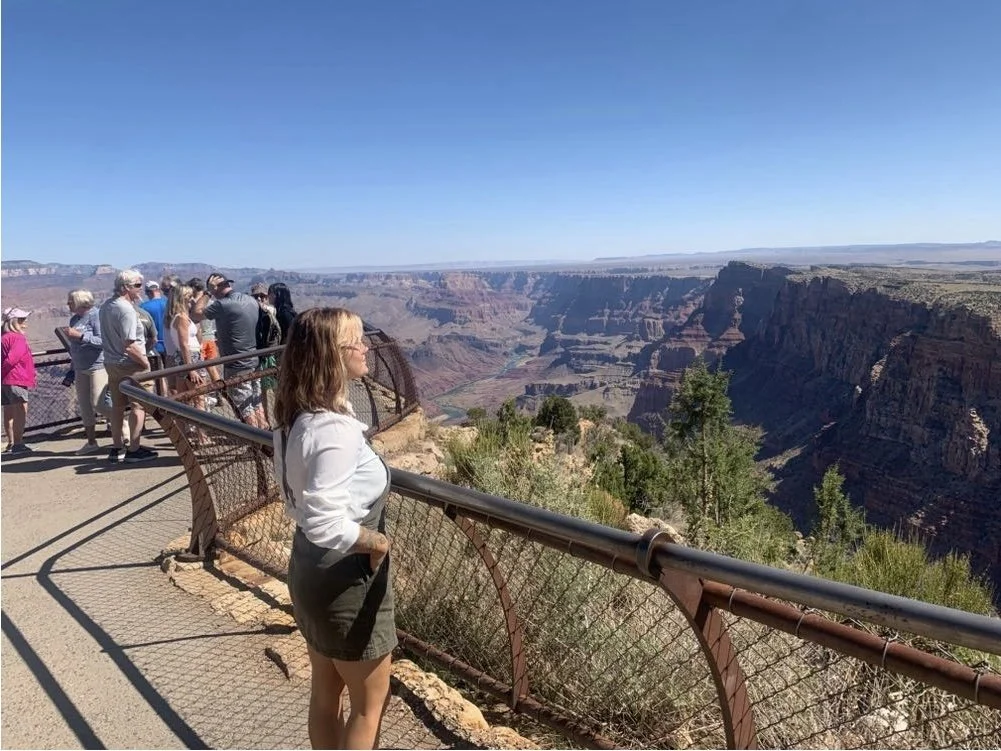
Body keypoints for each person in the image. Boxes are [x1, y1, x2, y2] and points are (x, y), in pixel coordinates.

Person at [273, 308, 393, 750]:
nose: (365, 349)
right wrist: (377, 540)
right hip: (346, 576)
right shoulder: (335, 430)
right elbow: (326, 518)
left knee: (326, 693)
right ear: (329, 355)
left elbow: (298, 506)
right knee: (368, 704)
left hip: (307, 566)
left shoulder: (294, 417)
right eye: (355, 342)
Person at [191, 273, 267, 428]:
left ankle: (257, 444)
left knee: (244, 407)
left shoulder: (223, 305)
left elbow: (195, 314)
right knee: (256, 401)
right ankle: (266, 435)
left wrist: (207, 293)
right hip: (254, 358)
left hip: (236, 364)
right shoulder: (250, 300)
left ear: (216, 287)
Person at [99, 269, 159, 464]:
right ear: (126, 288)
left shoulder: (106, 306)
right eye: (137, 285)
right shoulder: (126, 309)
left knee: (117, 407)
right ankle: (134, 448)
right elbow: (129, 343)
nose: (140, 289)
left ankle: (116, 448)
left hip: (112, 363)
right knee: (138, 406)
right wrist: (144, 362)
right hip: (131, 364)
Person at [62, 289, 114, 455]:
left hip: (97, 365)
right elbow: (74, 346)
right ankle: (91, 442)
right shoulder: (75, 319)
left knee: (99, 403)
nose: (68, 304)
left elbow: (104, 341)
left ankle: (121, 424)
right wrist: (72, 367)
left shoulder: (96, 316)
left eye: (70, 301)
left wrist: (80, 336)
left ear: (79, 301)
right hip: (80, 367)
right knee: (84, 406)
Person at [1, 307, 36, 455]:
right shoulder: (18, 338)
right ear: (14, 322)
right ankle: (18, 444)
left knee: (8, 411)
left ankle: (11, 443)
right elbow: (12, 359)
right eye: (22, 320)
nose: (25, 322)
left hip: (5, 381)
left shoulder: (3, 337)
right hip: (16, 378)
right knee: (20, 411)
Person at [252, 283, 281, 425]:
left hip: (272, 357)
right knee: (261, 392)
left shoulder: (272, 311)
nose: (259, 298)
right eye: (256, 296)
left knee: (277, 390)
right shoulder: (252, 312)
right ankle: (267, 422)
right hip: (259, 358)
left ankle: (281, 420)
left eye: (262, 296)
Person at [188, 278, 221, 384]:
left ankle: (204, 397)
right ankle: (221, 394)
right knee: (213, 370)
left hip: (200, 340)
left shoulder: (193, 304)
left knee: (201, 371)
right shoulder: (211, 302)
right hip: (210, 338)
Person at [140, 280, 168, 369]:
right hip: (170, 344)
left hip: (153, 346)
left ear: (148, 292)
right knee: (172, 373)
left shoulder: (143, 307)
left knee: (157, 375)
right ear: (158, 290)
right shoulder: (168, 303)